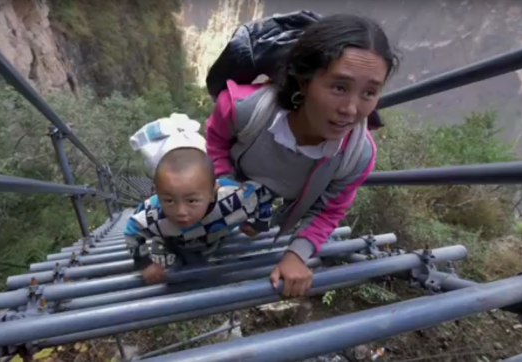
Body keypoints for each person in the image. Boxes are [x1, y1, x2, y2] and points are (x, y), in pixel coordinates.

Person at [205, 14, 399, 297]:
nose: (351, 109)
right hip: (224, 191)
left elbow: (329, 210)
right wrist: (224, 186)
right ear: (305, 81)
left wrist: (297, 254)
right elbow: (216, 140)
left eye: (369, 92)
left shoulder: (357, 155)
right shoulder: (243, 109)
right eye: (339, 87)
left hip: (266, 211)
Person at [124, 120, 273, 284]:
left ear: (212, 192)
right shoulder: (156, 214)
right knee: (180, 276)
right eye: (169, 200)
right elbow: (133, 228)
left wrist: (258, 224)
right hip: (175, 243)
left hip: (217, 235)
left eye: (192, 200)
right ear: (157, 195)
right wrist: (145, 263)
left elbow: (263, 193)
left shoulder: (233, 200)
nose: (181, 211)